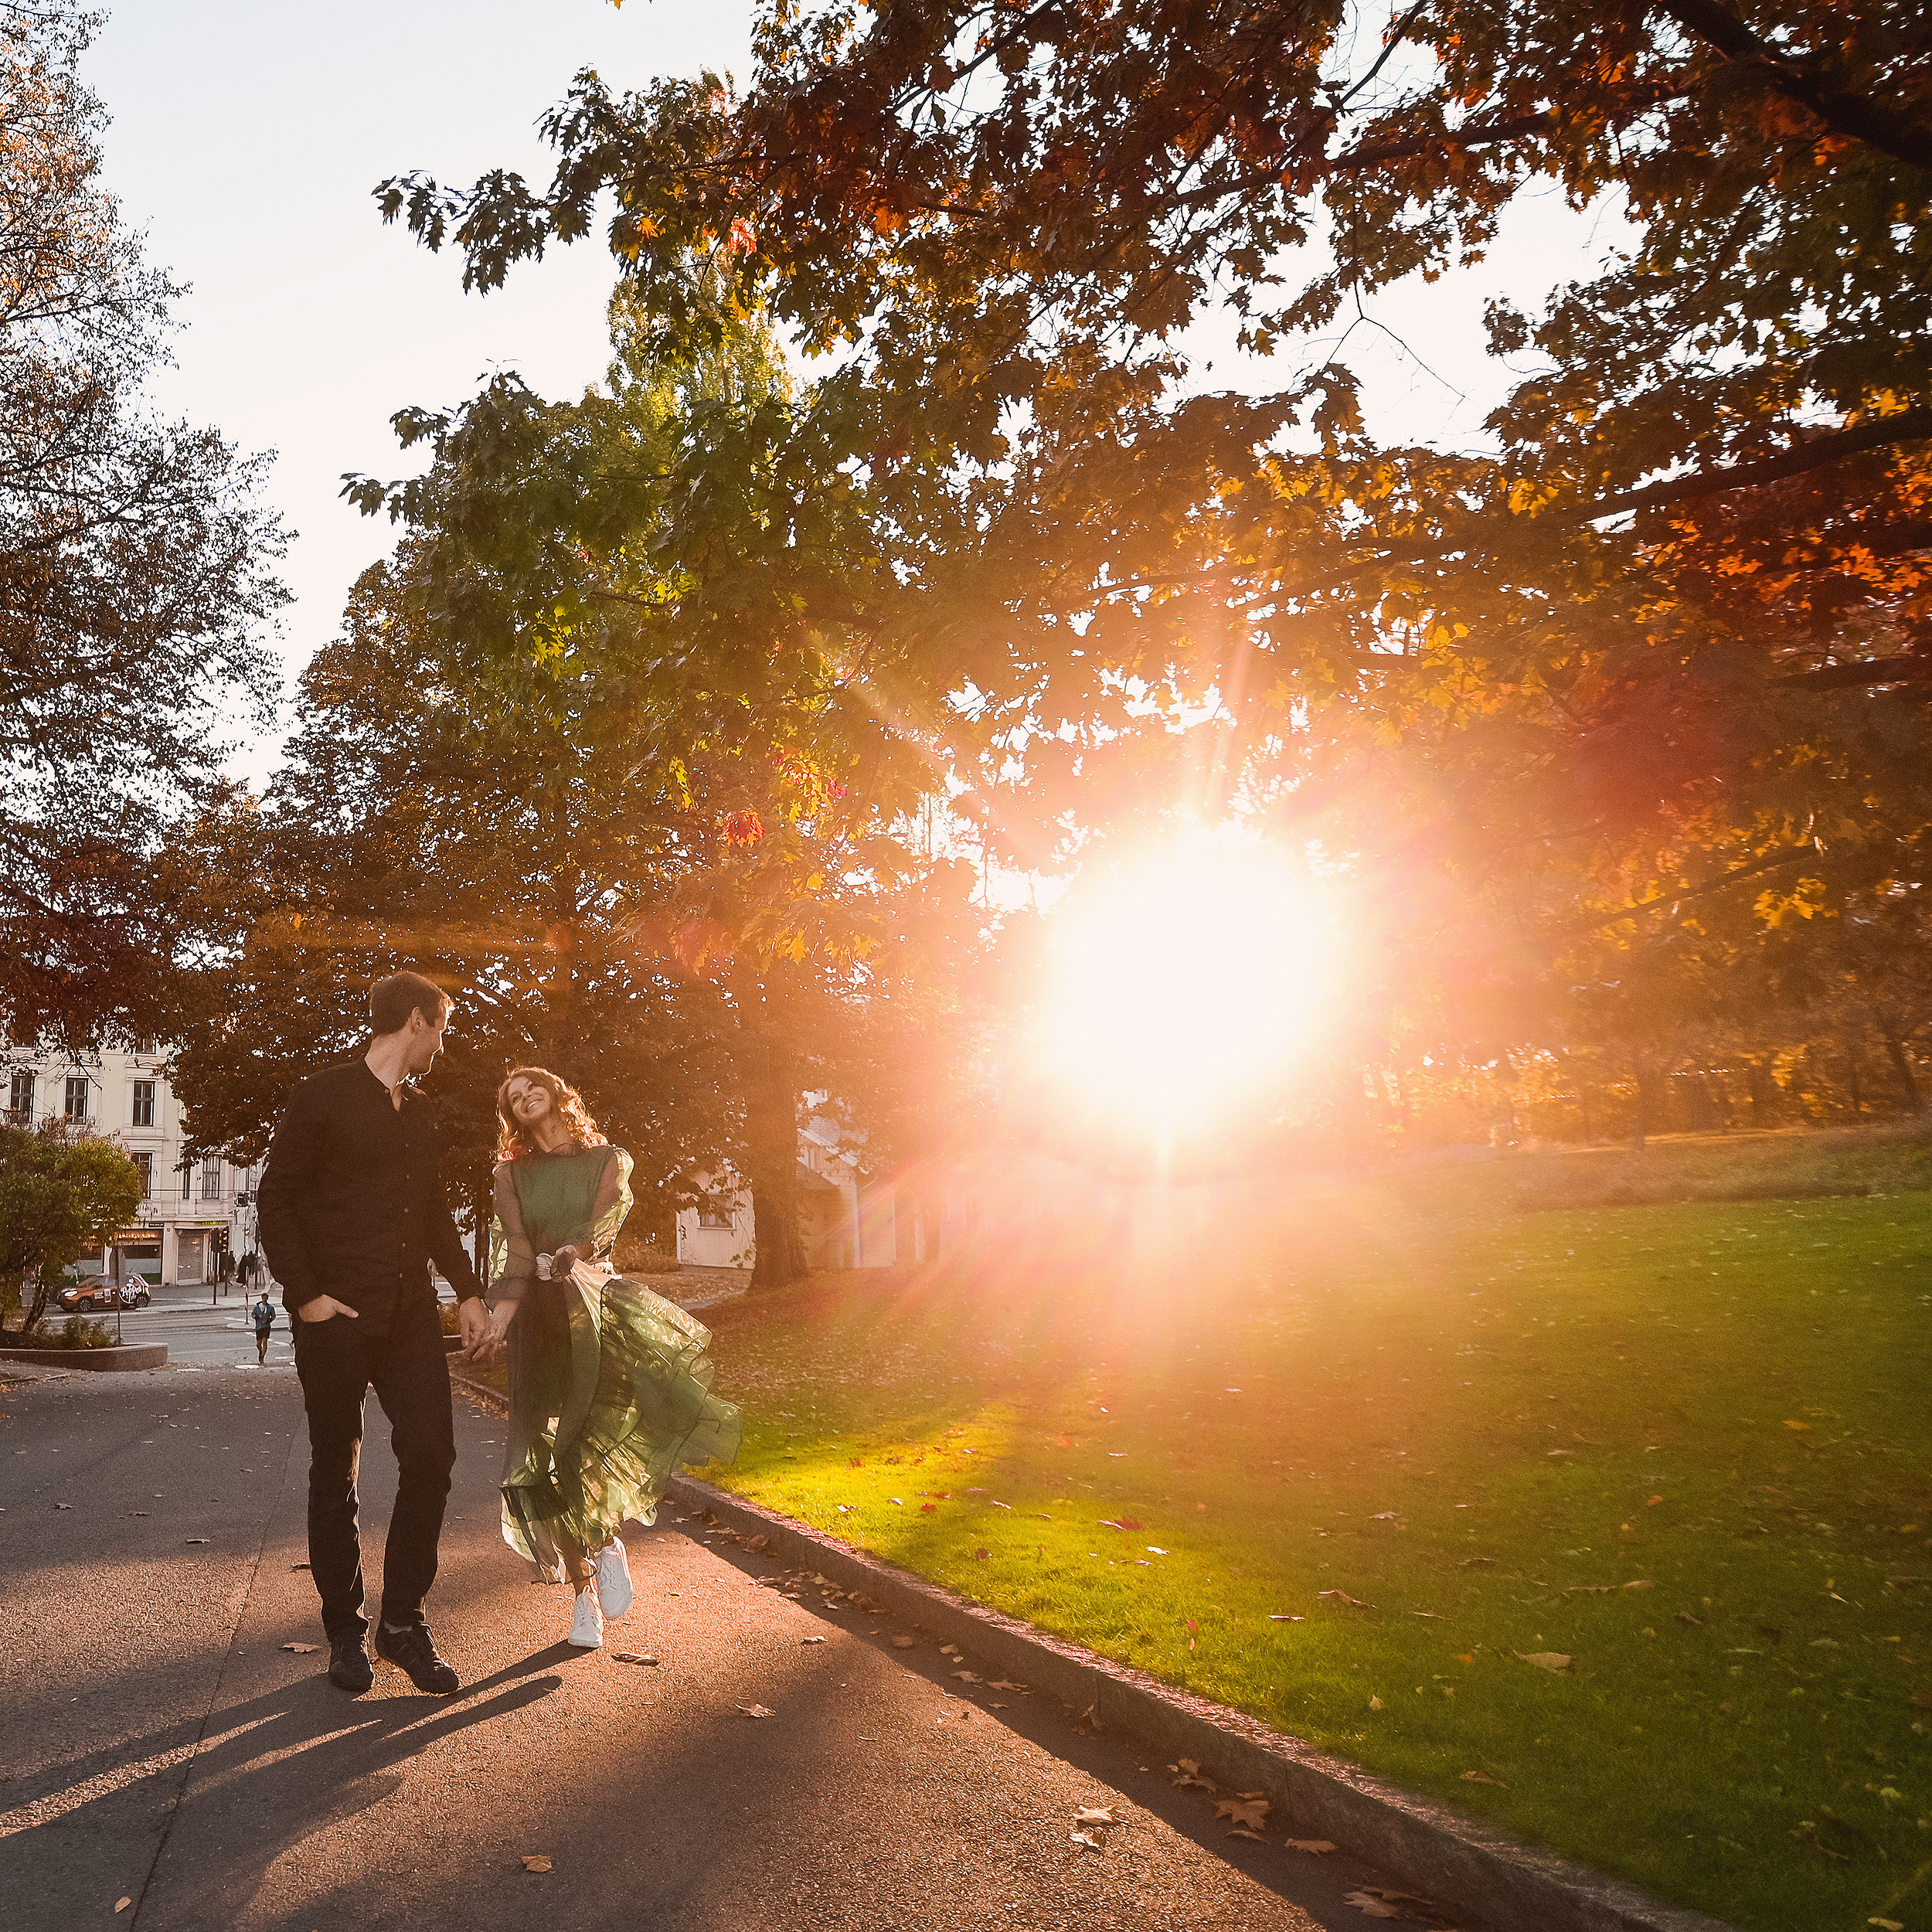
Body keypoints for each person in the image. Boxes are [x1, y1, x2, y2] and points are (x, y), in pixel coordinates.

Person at [257, 970, 490, 1696]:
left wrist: (471, 1291)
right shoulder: (322, 1095)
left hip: (409, 1313)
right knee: (338, 1467)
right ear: (416, 1020)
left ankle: (402, 1624)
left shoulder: (422, 1115)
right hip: (337, 1318)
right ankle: (344, 1630)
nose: (442, 1045)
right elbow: (278, 1196)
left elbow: (433, 1216)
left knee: (432, 1454)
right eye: (441, 1027)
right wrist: (306, 1296)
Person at [467, 1067, 741, 1649]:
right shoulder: (509, 1175)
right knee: (540, 1456)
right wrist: (499, 1321)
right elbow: (516, 1253)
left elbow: (600, 1226)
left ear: (559, 1093)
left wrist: (574, 1250)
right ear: (512, 1115)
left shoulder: (608, 1160)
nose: (523, 1096)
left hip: (592, 1309)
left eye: (531, 1086)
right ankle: (582, 1590)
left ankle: (607, 1539)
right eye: (513, 1097)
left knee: (586, 1442)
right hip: (536, 1323)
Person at [250, 1291, 275, 1364]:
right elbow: (253, 1314)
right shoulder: (257, 1307)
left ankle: (262, 1356)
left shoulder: (270, 1308)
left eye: (266, 1298)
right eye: (263, 1298)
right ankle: (260, 1351)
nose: (264, 1299)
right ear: (262, 1298)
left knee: (265, 1341)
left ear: (267, 1299)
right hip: (259, 1326)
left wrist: (269, 1320)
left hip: (266, 1327)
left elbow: (273, 1316)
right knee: (258, 1343)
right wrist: (256, 1317)